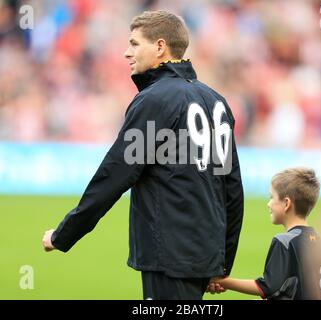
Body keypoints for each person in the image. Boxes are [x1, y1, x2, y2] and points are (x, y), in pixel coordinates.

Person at [42, 10, 244, 300]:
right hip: (204, 255)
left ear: (160, 47)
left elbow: (114, 176)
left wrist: (63, 235)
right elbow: (232, 188)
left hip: (169, 255)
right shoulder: (217, 102)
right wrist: (222, 261)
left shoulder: (154, 100)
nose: (127, 52)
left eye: (135, 44)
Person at [208, 167, 321, 300]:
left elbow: (267, 287)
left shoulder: (284, 242)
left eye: (272, 197)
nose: (268, 204)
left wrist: (224, 282)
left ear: (287, 203)